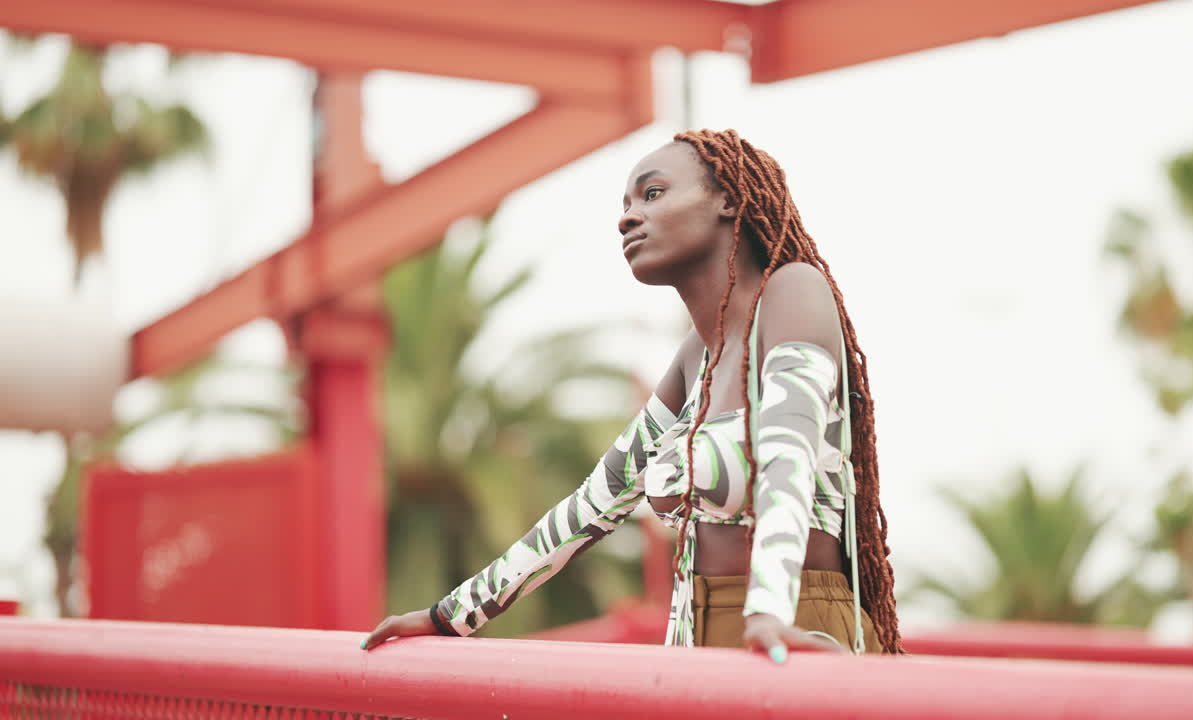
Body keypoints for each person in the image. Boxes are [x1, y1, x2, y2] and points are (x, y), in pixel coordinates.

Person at [362, 129, 903, 659]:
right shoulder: (697, 357)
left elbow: (789, 463)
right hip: (701, 638)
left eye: (653, 193)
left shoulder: (794, 291)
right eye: (624, 203)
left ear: (728, 200)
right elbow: (592, 506)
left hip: (795, 626)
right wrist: (449, 616)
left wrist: (768, 611)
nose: (626, 217)